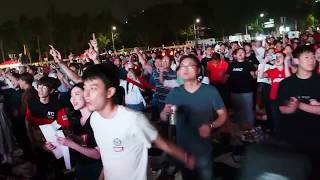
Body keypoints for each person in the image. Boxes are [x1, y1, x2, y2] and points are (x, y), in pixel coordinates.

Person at [82, 63, 195, 180]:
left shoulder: (133, 119)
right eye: (84, 88)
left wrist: (188, 158)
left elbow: (163, 144)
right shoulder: (95, 119)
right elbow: (108, 155)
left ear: (109, 92)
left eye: (93, 88)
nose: (86, 94)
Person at [161, 54, 227, 180]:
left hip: (204, 150)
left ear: (198, 70)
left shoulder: (210, 91)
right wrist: (165, 114)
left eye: (190, 65)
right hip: (183, 152)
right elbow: (170, 120)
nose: (185, 69)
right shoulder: (174, 93)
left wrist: (211, 125)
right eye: (182, 66)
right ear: (179, 72)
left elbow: (223, 115)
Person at [277, 45, 320, 179]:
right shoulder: (286, 83)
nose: (311, 60)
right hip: (292, 137)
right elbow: (281, 108)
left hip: (316, 136)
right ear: (296, 61)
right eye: (306, 57)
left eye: (313, 57)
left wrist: (299, 105)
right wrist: (290, 109)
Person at [44, 83, 103, 180]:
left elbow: (97, 155)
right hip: (81, 166)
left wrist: (70, 143)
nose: (72, 99)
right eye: (71, 96)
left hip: (96, 168)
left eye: (77, 94)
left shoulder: (97, 119)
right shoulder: (77, 121)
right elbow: (80, 146)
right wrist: (54, 145)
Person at [258, 52, 291, 135]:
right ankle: (276, 135)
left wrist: (286, 63)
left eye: (280, 57)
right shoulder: (272, 70)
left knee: (286, 117)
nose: (277, 58)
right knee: (275, 118)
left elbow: (289, 79)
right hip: (274, 98)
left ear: (284, 59)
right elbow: (260, 76)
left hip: (285, 98)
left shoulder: (288, 70)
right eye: (276, 57)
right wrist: (264, 62)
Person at [226, 48, 256, 129]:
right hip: (234, 91)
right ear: (235, 55)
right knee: (237, 110)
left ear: (245, 54)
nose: (240, 53)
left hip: (247, 91)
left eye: (242, 52)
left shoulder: (249, 64)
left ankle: (250, 127)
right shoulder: (231, 64)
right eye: (238, 52)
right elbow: (227, 76)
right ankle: (240, 127)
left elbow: (254, 76)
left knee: (248, 110)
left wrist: (255, 74)